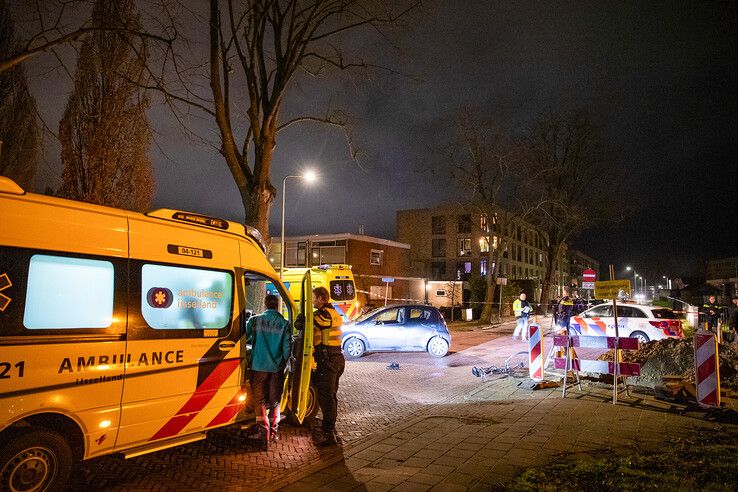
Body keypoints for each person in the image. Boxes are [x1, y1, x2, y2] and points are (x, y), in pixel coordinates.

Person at [245, 294, 291, 447]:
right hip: (276, 368)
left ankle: (263, 432)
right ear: (277, 306)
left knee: (259, 400)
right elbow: (286, 349)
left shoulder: (255, 320)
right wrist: (284, 363)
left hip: (258, 366)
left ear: (265, 304)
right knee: (275, 401)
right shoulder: (284, 324)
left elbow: (246, 337)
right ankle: (273, 433)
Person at [312, 286, 345, 446]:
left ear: (321, 298)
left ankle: (329, 434)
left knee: (327, 398)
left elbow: (315, 322)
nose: (312, 301)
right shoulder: (335, 312)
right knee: (330, 396)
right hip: (335, 358)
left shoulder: (325, 315)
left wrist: (304, 319)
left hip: (329, 360)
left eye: (314, 298)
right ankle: (330, 429)